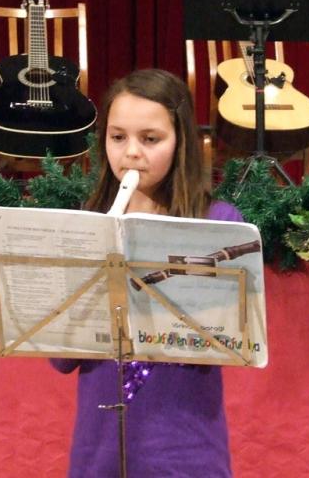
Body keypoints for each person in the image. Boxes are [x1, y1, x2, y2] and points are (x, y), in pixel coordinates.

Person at [51, 68, 243, 477]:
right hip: (99, 453)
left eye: (150, 139)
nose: (132, 153)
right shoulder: (89, 225)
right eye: (118, 137)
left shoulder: (218, 224)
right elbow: (61, 358)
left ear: (181, 142)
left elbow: (224, 342)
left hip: (186, 453)